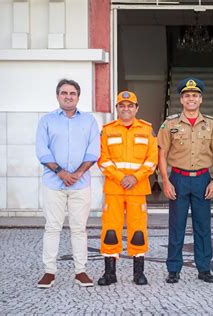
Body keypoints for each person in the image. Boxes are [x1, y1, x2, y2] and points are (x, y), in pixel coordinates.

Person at [157, 78, 213, 284]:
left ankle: (204, 268)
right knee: (176, 225)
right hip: (178, 179)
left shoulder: (211, 124)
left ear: (201, 99)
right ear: (182, 99)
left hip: (203, 179)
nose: (191, 99)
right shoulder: (170, 123)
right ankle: (174, 269)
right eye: (187, 96)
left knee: (203, 226)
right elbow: (162, 153)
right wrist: (165, 181)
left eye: (195, 95)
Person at [35, 79, 100, 288]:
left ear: (78, 97)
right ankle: (49, 272)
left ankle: (80, 271)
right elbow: (42, 151)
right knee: (52, 227)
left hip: (81, 184)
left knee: (79, 228)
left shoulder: (89, 121)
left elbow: (94, 151)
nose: (68, 96)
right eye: (64, 93)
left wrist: (78, 173)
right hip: (53, 183)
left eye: (73, 93)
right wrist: (61, 173)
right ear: (57, 96)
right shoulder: (46, 121)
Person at [96, 91, 158, 286]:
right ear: (117, 108)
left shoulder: (147, 130)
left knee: (138, 231)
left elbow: (152, 160)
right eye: (122, 105)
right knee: (110, 230)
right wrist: (122, 178)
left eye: (130, 105)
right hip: (114, 188)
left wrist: (135, 177)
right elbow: (102, 160)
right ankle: (110, 274)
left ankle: (138, 273)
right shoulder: (107, 130)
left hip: (137, 189)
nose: (126, 108)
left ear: (136, 108)